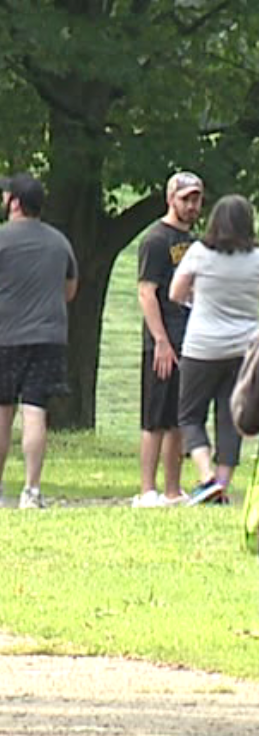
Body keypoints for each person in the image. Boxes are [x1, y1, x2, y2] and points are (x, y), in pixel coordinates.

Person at [0, 173, 77, 510]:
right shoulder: (60, 242)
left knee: (1, 411)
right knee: (35, 411)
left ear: (15, 202)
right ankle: (31, 491)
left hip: (3, 339)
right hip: (49, 338)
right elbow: (70, 291)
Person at [171, 194, 259, 505]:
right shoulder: (257, 257)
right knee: (230, 417)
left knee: (190, 415)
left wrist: (198, 298)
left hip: (202, 347)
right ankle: (222, 482)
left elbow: (175, 293)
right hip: (245, 349)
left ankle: (207, 478)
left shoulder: (199, 253)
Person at [134, 172, 205, 507]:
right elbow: (147, 293)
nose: (191, 206)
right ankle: (148, 490)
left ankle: (173, 490)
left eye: (196, 199)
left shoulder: (195, 242)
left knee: (179, 416)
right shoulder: (156, 240)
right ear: (170, 199)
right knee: (155, 416)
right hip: (163, 340)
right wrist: (160, 340)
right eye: (185, 199)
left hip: (190, 338)